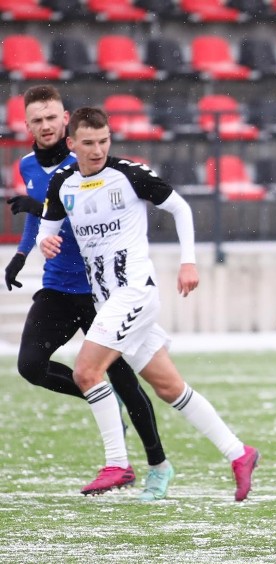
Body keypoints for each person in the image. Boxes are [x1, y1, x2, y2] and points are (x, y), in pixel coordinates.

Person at [35, 106, 260, 501]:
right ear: (71, 143)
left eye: (103, 141)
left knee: (86, 373)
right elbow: (47, 229)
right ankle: (238, 452)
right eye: (88, 143)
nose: (97, 149)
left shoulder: (128, 174)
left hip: (134, 292)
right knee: (169, 387)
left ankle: (117, 463)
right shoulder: (62, 183)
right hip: (107, 300)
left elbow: (180, 207)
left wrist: (188, 261)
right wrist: (44, 242)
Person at [4, 85, 173, 500]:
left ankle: (157, 466)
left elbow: (89, 218)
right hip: (59, 287)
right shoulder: (28, 165)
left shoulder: (85, 158)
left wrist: (38, 207)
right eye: (37, 119)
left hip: (103, 293)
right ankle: (98, 395)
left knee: (130, 382)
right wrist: (23, 253)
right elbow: (44, 220)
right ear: (26, 125)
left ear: (66, 122)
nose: (45, 125)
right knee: (31, 365)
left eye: (52, 117)